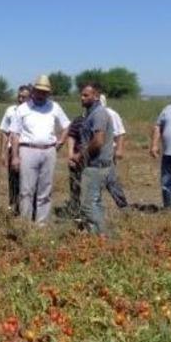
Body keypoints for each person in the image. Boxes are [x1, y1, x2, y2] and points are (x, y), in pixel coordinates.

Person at [10, 75, 70, 224]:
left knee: (45, 189)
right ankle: (25, 223)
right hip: (27, 150)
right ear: (33, 91)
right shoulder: (23, 109)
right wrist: (15, 156)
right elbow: (15, 134)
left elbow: (67, 125)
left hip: (49, 151)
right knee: (26, 190)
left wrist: (60, 142)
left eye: (44, 92)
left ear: (48, 93)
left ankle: (41, 224)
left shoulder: (54, 107)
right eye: (39, 91)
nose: (41, 94)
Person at [71, 83, 115, 235]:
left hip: (96, 165)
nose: (82, 98)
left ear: (96, 96)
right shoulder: (92, 113)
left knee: (88, 205)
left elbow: (98, 141)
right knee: (95, 202)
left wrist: (80, 155)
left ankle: (103, 235)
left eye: (86, 95)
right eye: (81, 95)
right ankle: (96, 235)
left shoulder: (98, 114)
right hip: (93, 164)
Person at [0, 85, 31, 214]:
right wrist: (3, 153)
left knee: (28, 180)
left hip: (28, 150)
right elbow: (4, 132)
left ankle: (28, 208)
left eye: (24, 97)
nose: (20, 99)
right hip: (13, 150)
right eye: (19, 96)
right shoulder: (10, 110)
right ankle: (13, 206)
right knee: (13, 179)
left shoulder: (34, 112)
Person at [100, 94, 129, 208]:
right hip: (92, 152)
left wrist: (119, 149)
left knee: (110, 179)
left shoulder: (111, 114)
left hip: (108, 151)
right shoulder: (88, 114)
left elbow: (120, 133)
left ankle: (123, 205)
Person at [65, 113, 86, 217]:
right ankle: (75, 211)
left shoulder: (101, 119)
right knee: (75, 186)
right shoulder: (78, 120)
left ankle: (88, 213)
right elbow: (71, 136)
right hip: (77, 159)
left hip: (94, 160)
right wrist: (70, 155)